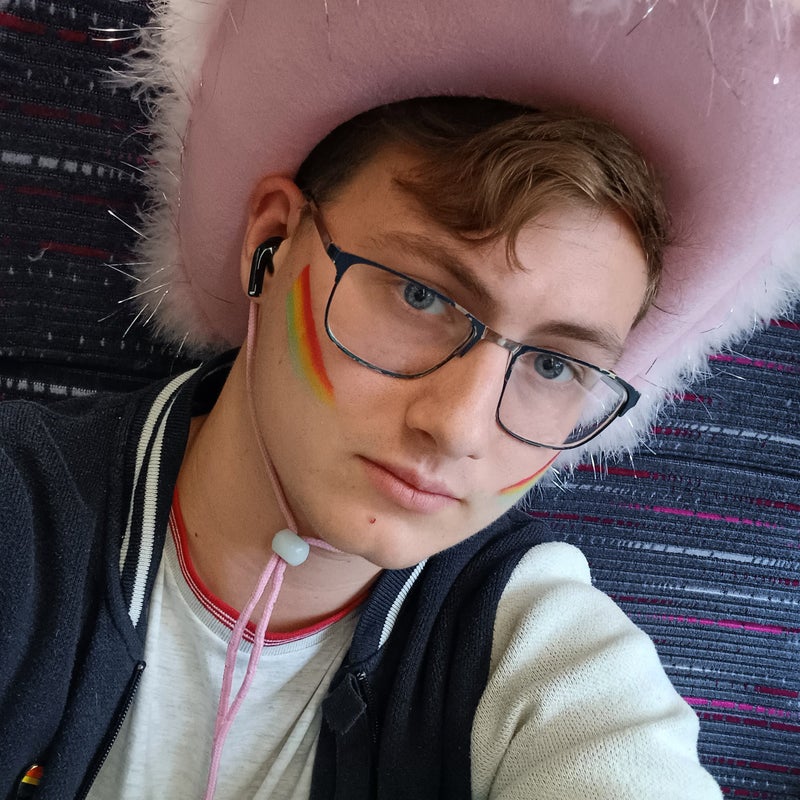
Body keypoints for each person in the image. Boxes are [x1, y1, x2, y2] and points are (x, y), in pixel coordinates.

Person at [2, 2, 798, 799]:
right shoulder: (22, 513)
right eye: (421, 295)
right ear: (271, 239)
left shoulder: (533, 647)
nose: (457, 427)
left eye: (554, 366)